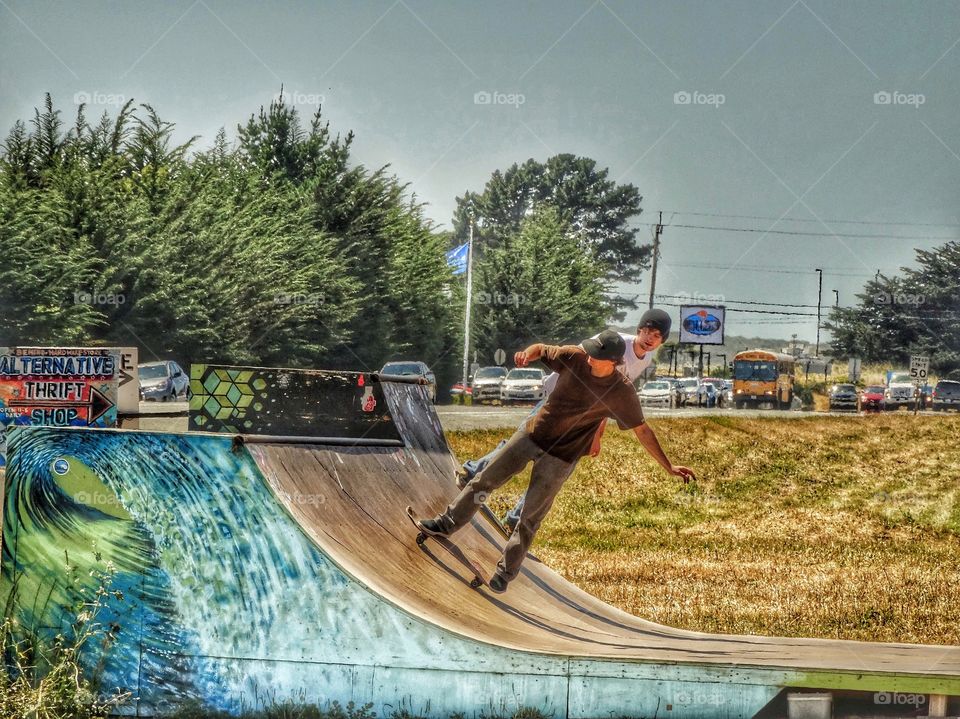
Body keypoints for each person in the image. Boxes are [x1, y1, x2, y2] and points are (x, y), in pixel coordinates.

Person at [416, 330, 696, 594]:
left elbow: (642, 430)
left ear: (612, 362)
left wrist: (668, 466)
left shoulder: (621, 391)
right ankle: (446, 523)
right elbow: (543, 349)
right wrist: (528, 353)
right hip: (532, 435)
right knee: (484, 480)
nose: (588, 357)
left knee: (529, 518)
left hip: (562, 457)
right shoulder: (574, 357)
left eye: (594, 356)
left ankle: (505, 573)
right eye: (588, 352)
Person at [458, 308, 672, 530]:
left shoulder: (646, 360)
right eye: (648, 332)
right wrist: (529, 355)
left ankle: (515, 518)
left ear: (662, 341)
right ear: (639, 330)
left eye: (657, 336)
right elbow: (579, 355)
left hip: (584, 414)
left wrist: (597, 434)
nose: (650, 339)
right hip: (559, 398)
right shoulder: (615, 342)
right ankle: (474, 472)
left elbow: (608, 398)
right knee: (524, 440)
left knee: (560, 466)